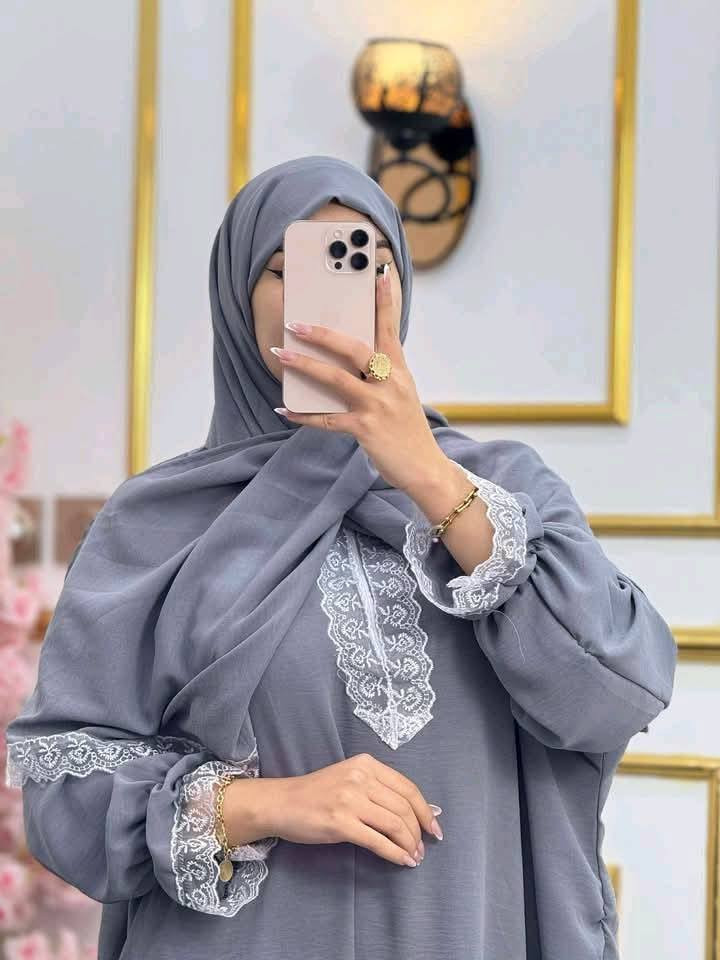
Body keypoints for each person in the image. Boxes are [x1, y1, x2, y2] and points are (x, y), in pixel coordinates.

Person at [5, 155, 677, 960]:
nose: (323, 300)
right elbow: (63, 802)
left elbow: (614, 690)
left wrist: (428, 475)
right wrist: (267, 805)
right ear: (236, 296)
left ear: (399, 288)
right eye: (288, 270)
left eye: (366, 266)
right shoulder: (155, 523)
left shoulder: (505, 490)